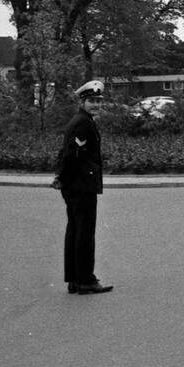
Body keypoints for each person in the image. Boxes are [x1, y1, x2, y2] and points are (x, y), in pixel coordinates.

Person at [51, 79, 113, 295]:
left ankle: (75, 279)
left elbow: (67, 153)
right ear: (83, 102)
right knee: (84, 233)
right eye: (91, 101)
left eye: (98, 101)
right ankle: (86, 280)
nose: (96, 105)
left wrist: (61, 178)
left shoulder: (81, 120)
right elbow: (71, 156)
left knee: (75, 231)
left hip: (75, 185)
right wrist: (63, 178)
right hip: (81, 186)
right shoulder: (83, 123)